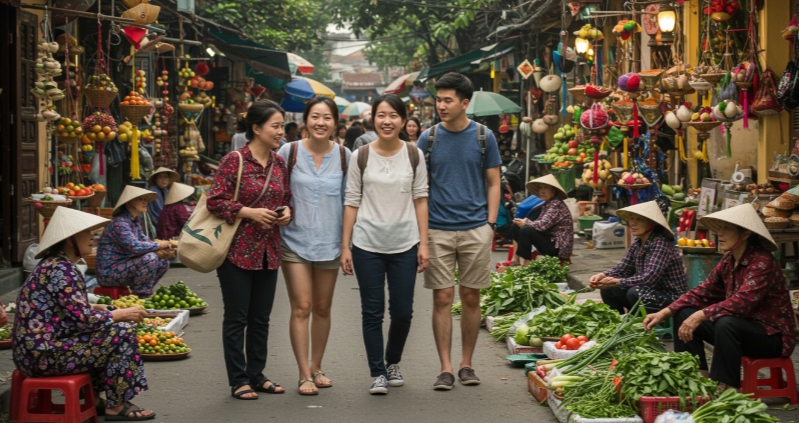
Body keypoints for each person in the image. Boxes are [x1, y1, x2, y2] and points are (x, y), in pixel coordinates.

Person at [12, 207, 155, 420]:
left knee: (108, 331)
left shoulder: (56, 264)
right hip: (41, 355)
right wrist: (120, 315)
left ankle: (96, 400)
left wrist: (97, 308)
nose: (92, 238)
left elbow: (67, 309)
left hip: (37, 350)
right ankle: (116, 405)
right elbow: (84, 321)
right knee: (121, 331)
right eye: (87, 233)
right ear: (71, 240)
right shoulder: (61, 270)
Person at [644, 204, 796, 390]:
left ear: (746, 233)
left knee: (725, 322)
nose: (720, 234)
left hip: (772, 337)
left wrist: (702, 315)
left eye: (726, 229)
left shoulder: (762, 262)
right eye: (719, 228)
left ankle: (726, 387)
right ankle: (697, 380)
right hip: (739, 329)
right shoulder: (729, 260)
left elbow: (742, 301)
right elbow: (703, 291)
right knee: (684, 313)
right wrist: (665, 312)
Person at [416, 72, 501, 390]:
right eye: (438, 99)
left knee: (470, 296)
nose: (441, 105)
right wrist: (422, 235)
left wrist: (490, 225)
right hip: (437, 229)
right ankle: (446, 368)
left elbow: (494, 182)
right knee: (442, 297)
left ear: (464, 103)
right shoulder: (428, 138)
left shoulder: (483, 137)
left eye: (447, 100)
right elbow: (419, 187)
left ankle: (467, 363)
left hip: (475, 229)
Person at [341, 94, 429, 395]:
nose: (387, 121)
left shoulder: (414, 155)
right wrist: (345, 246)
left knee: (403, 311)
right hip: (367, 244)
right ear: (373, 119)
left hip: (405, 244)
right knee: (372, 312)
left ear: (403, 121)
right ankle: (377, 371)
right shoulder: (361, 155)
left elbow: (420, 199)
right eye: (381, 115)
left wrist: (423, 244)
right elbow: (351, 201)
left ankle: (392, 362)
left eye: (393, 115)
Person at [207, 99, 292, 400]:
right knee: (237, 318)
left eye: (282, 126)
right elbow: (214, 201)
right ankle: (238, 380)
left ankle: (257, 375)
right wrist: (248, 212)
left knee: (261, 318)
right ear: (256, 128)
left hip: (269, 250)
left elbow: (287, 197)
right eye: (276, 126)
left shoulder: (279, 163)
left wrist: (286, 213)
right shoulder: (235, 160)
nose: (281, 132)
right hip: (236, 252)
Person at [277, 96, 351, 395]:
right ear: (306, 120)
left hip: (330, 243)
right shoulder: (288, 151)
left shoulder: (346, 156)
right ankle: (303, 373)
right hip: (293, 241)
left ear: (335, 123)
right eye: (315, 117)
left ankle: (317, 366)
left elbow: (350, 203)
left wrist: (347, 246)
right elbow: (275, 190)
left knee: (322, 307)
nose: (321, 123)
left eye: (327, 118)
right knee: (302, 307)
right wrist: (280, 211)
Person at [589, 201, 688, 314]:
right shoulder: (637, 242)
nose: (632, 223)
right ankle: (617, 323)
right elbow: (622, 268)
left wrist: (618, 281)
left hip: (671, 298)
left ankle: (642, 326)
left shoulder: (660, 244)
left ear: (652, 223)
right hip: (649, 291)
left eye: (639, 219)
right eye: (631, 219)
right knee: (609, 289)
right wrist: (602, 275)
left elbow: (649, 279)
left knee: (634, 292)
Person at [96, 185, 172, 297]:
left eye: (145, 199)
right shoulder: (120, 223)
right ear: (128, 203)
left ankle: (141, 292)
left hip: (125, 266)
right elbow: (134, 246)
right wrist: (158, 245)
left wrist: (166, 247)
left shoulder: (135, 222)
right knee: (150, 258)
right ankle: (141, 296)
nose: (145, 202)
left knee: (163, 262)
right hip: (108, 272)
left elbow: (146, 242)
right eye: (141, 199)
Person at [510, 174, 573, 266]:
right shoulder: (547, 204)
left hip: (558, 247)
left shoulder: (556, 204)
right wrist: (525, 222)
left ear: (553, 191)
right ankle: (519, 259)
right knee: (515, 227)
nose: (542, 191)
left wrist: (526, 222)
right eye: (541, 188)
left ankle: (526, 264)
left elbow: (543, 225)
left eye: (546, 188)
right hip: (550, 240)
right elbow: (540, 223)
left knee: (525, 230)